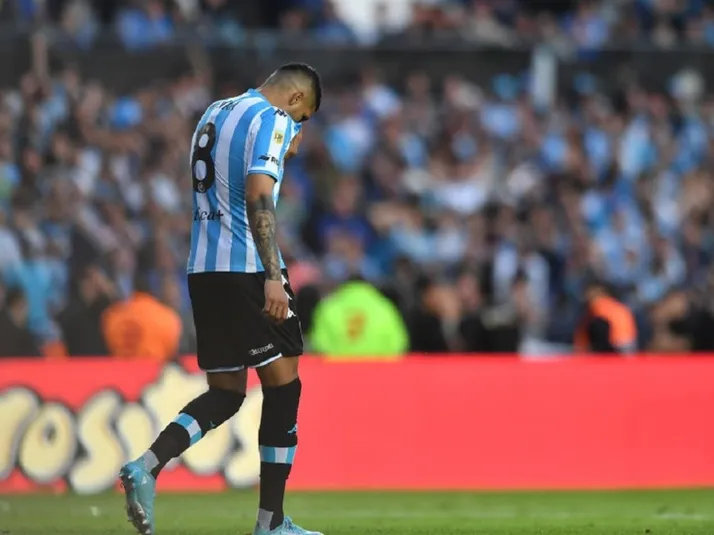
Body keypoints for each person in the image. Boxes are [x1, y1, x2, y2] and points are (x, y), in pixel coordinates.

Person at [119, 63, 322, 535]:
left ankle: (146, 466)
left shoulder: (215, 111)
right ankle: (271, 523)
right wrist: (273, 276)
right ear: (295, 100)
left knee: (227, 393)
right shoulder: (274, 118)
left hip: (204, 269)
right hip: (248, 268)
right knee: (284, 386)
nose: (297, 132)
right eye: (303, 119)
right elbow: (258, 196)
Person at [102, 271, 182, 361]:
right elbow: (171, 352)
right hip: (155, 368)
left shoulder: (113, 316)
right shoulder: (167, 317)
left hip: (121, 368)